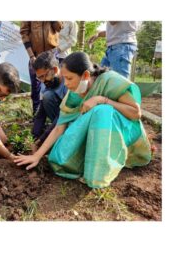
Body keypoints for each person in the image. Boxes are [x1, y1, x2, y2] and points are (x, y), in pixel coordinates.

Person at [14, 52, 151, 188]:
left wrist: (102, 100)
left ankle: (98, 174)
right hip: (97, 134)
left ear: (85, 75)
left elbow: (135, 113)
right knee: (60, 156)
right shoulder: (74, 93)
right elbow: (59, 127)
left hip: (122, 131)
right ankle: (90, 159)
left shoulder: (110, 81)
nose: (66, 84)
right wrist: (37, 155)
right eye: (65, 79)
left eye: (69, 78)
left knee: (101, 111)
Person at [20, 21, 63, 115]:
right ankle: (37, 113)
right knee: (36, 86)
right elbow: (24, 33)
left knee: (54, 83)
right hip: (35, 54)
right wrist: (31, 56)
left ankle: (58, 112)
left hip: (51, 53)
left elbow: (59, 28)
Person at [31, 51, 67, 152]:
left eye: (44, 76)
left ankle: (60, 136)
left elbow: (63, 115)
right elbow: (41, 113)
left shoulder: (68, 81)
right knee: (47, 96)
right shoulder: (46, 84)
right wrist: (34, 137)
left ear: (55, 70)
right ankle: (56, 135)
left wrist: (42, 140)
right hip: (60, 116)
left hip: (72, 115)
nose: (42, 81)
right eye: (39, 78)